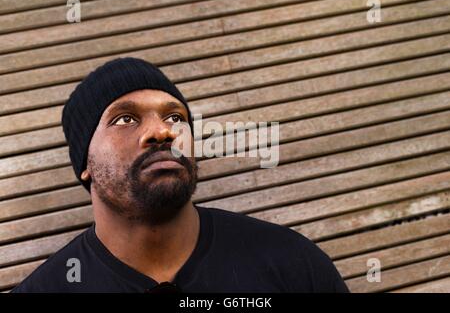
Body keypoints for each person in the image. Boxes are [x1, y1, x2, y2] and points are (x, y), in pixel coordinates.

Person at [12, 57, 349, 293]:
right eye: (125, 119)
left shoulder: (290, 261)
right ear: (84, 163)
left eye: (176, 118)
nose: (162, 132)